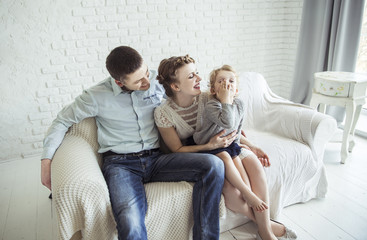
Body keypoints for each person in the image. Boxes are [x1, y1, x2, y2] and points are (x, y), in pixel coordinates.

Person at [40, 46, 230, 240]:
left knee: (213, 165)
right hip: (121, 165)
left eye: (146, 73)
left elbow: (186, 98)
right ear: (119, 81)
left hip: (157, 159)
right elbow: (62, 121)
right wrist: (46, 161)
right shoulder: (95, 96)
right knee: (130, 221)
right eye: (139, 80)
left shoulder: (158, 81)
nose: (147, 81)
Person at [154, 55, 297, 240]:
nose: (199, 78)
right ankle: (265, 225)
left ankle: (265, 231)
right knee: (233, 191)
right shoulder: (164, 113)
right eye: (191, 77)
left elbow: (231, 124)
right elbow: (177, 149)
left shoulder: (208, 97)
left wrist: (252, 146)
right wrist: (209, 145)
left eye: (197, 73)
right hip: (204, 150)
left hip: (227, 143)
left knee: (255, 166)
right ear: (175, 86)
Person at [192, 64, 268, 212]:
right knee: (226, 157)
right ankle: (247, 193)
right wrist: (226, 100)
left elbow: (237, 128)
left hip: (228, 144)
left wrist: (239, 144)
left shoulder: (239, 104)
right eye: (221, 81)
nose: (226, 84)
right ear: (213, 90)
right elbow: (228, 122)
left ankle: (248, 194)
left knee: (239, 165)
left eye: (231, 81)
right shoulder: (212, 105)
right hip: (210, 144)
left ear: (237, 90)